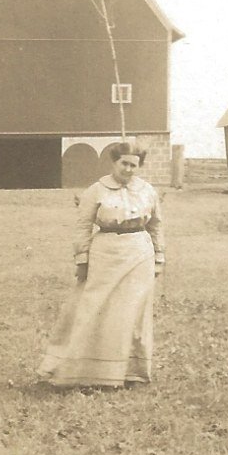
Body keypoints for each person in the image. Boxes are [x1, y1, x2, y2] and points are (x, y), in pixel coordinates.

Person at [38, 141, 164, 388]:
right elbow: (83, 225)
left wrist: (159, 257)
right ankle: (84, 370)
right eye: (124, 164)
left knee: (133, 312)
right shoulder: (97, 190)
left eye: (133, 165)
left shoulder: (147, 191)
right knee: (94, 309)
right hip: (105, 253)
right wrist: (82, 259)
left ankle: (132, 372)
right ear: (114, 162)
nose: (128, 169)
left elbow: (157, 224)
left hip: (139, 254)